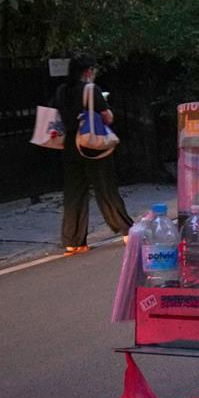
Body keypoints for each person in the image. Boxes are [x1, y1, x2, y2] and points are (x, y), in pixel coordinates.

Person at [51, 53, 133, 253]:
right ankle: (127, 231)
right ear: (88, 71)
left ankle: (73, 241)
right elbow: (107, 118)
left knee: (73, 194)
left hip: (69, 147)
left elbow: (55, 113)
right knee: (105, 189)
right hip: (92, 145)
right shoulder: (90, 89)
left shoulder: (61, 90)